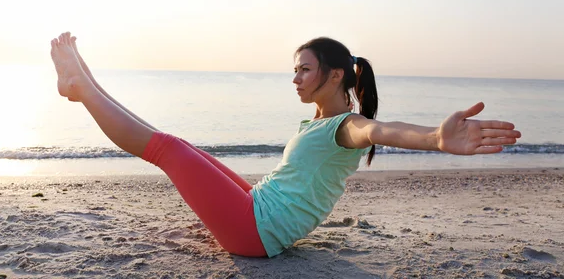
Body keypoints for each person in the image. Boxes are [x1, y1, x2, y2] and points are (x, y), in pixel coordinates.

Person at [50, 32, 521, 258]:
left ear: (335, 75)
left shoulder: (347, 125)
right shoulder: (315, 121)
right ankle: (86, 81)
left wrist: (437, 139)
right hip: (256, 206)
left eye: (304, 69)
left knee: (168, 151)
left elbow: (382, 131)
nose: (295, 77)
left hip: (255, 233)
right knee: (182, 146)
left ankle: (82, 91)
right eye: (295, 68)